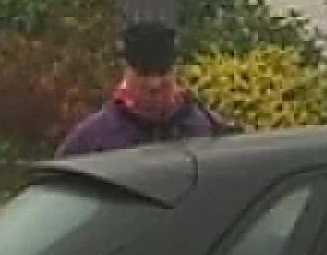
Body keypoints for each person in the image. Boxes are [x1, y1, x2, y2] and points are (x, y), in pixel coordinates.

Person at [55, 21, 234, 157]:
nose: (154, 84)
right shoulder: (91, 141)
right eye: (144, 73)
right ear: (126, 70)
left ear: (176, 69)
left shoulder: (208, 128)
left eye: (163, 72)